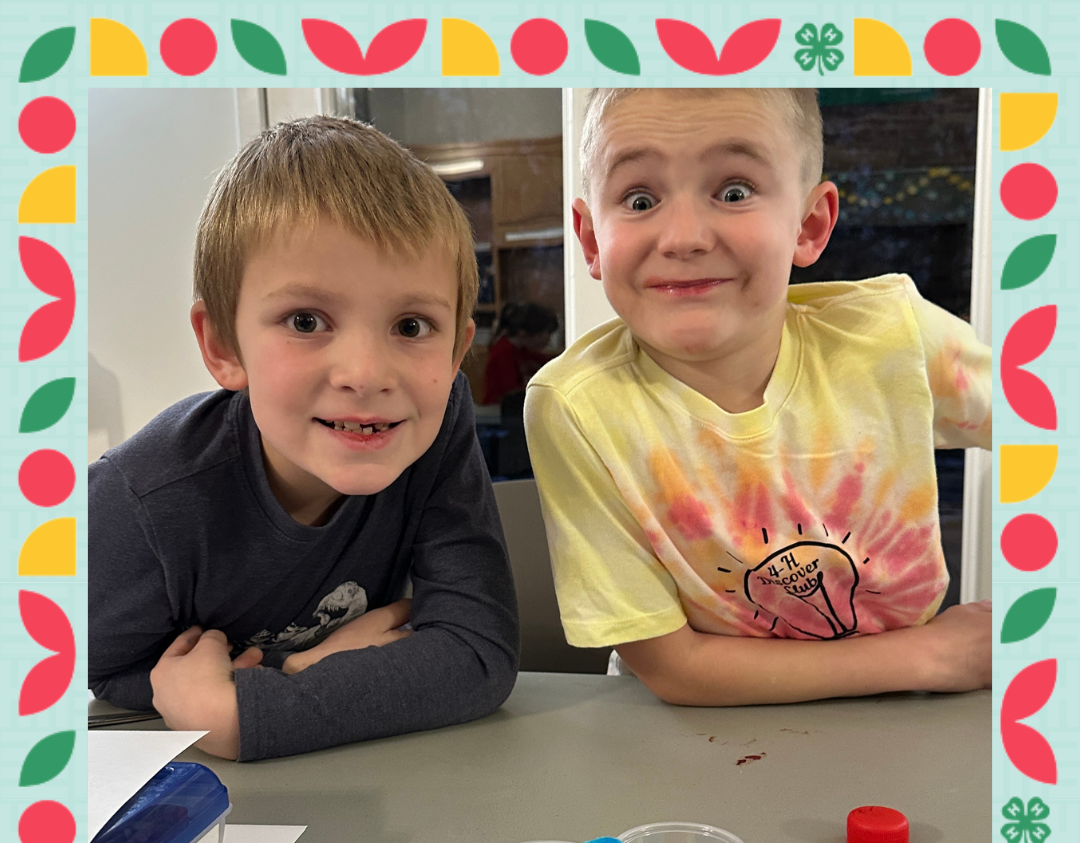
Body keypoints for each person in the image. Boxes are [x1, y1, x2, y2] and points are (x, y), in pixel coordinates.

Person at [524, 89, 991, 707]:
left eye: (734, 191)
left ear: (809, 225)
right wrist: (934, 655)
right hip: (693, 735)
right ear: (590, 240)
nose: (683, 237)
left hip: (913, 713)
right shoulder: (575, 409)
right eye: (640, 200)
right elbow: (675, 670)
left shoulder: (893, 338)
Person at [89, 116, 519, 760]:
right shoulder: (136, 498)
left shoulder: (436, 420)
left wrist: (264, 700)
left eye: (410, 325)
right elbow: (104, 673)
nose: (367, 375)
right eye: (306, 320)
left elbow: (478, 649)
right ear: (222, 346)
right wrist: (280, 684)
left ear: (458, 352)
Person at [481, 302, 559, 405]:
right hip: (500, 413)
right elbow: (512, 393)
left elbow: (548, 363)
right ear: (524, 333)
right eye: (547, 333)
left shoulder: (522, 350)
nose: (548, 340)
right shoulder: (503, 352)